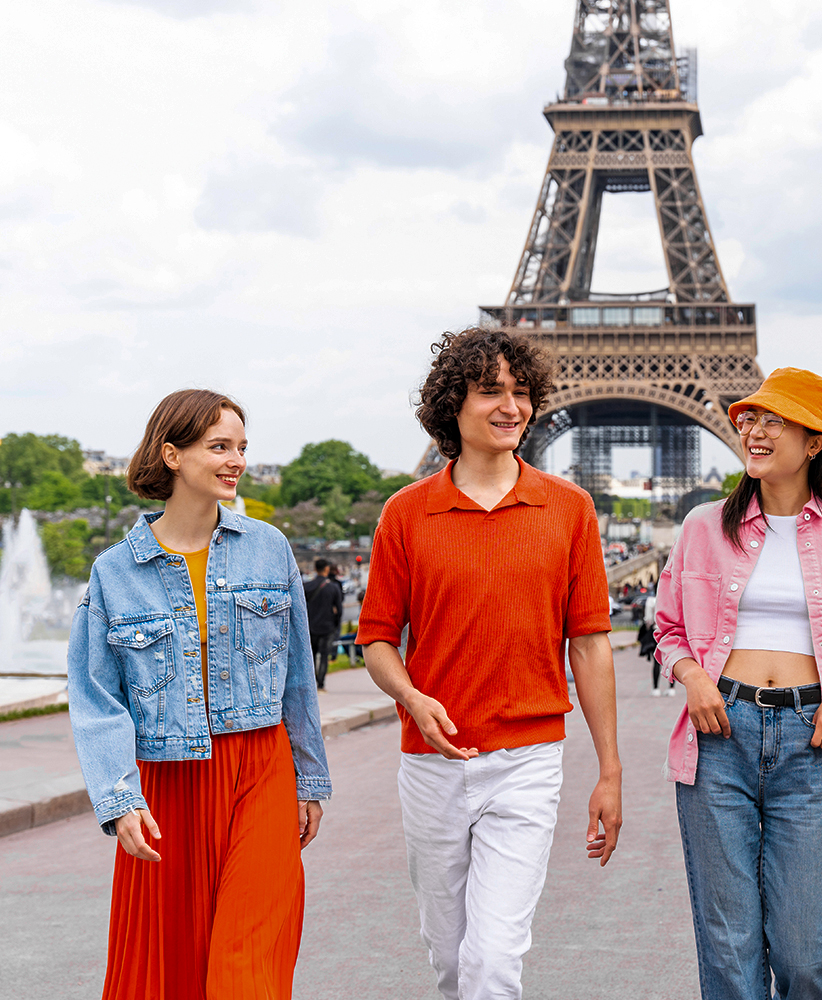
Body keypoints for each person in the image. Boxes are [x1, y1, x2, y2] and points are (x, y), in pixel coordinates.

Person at [357, 327, 622, 1000]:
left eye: (522, 392)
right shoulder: (406, 514)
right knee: (451, 963)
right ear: (453, 406)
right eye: (490, 392)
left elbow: (590, 644)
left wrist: (610, 770)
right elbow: (378, 639)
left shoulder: (569, 509)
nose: (511, 406)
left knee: (493, 961)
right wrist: (412, 697)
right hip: (431, 762)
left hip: (527, 761)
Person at [655, 367, 822, 1000]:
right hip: (719, 734)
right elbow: (668, 628)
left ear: (814, 445)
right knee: (728, 950)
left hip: (813, 740)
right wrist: (692, 677)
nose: (754, 430)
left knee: (806, 952)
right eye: (750, 418)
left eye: (775, 421)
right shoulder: (701, 528)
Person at [67, 389, 330, 1000]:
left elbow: (296, 681)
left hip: (262, 771)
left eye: (241, 447)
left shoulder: (270, 547)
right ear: (172, 455)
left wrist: (310, 781)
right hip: (168, 784)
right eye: (219, 447)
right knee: (172, 967)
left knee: (247, 965)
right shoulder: (114, 571)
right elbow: (96, 699)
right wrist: (119, 799)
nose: (236, 460)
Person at [304, 558, 342, 690]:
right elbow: (339, 609)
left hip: (311, 626)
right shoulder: (333, 587)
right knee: (324, 656)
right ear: (326, 569)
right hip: (327, 626)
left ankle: (312, 683)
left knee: (312, 655)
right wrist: (336, 625)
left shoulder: (307, 586)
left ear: (315, 569)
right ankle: (321, 684)